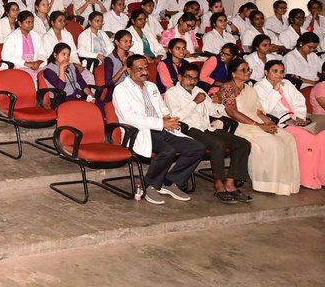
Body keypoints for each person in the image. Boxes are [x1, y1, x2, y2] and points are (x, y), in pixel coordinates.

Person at [114, 54, 206, 205]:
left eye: (146, 68)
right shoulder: (121, 89)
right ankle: (150, 185)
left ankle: (170, 182)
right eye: (139, 69)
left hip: (161, 127)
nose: (144, 71)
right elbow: (129, 117)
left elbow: (161, 107)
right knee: (167, 150)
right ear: (129, 70)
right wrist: (160, 123)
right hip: (140, 130)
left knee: (197, 147)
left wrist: (168, 118)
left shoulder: (152, 86)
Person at [164, 63, 252, 204]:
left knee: (242, 143)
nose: (192, 81)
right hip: (188, 129)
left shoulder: (199, 90)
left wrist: (219, 102)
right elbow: (175, 117)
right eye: (188, 77)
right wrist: (194, 102)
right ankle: (218, 184)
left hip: (206, 127)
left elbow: (213, 111)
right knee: (218, 144)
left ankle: (230, 183)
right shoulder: (172, 93)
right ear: (180, 77)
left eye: (195, 78)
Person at [219, 58, 299, 196]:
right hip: (238, 124)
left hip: (255, 120)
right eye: (243, 70)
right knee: (273, 143)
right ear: (233, 73)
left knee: (287, 138)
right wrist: (259, 125)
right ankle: (267, 183)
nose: (247, 72)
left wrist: (269, 123)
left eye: (248, 69)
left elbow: (258, 111)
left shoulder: (249, 88)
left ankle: (285, 183)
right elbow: (232, 112)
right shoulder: (228, 87)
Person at [255, 60, 325, 190]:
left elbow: (299, 101)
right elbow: (265, 109)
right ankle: (306, 177)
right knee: (307, 137)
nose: (279, 75)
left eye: (282, 72)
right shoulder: (259, 87)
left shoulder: (287, 83)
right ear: (266, 72)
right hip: (280, 121)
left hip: (296, 119)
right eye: (274, 71)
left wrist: (299, 116)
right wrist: (275, 90)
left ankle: (321, 175)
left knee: (322, 135)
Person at [1, 11, 44, 83]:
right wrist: (26, 63)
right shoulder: (12, 37)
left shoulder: (36, 36)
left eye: (32, 22)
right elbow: (5, 56)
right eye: (28, 22)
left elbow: (43, 53)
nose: (31, 24)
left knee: (49, 74)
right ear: (20, 23)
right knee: (30, 79)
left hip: (35, 66)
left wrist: (38, 62)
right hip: (18, 66)